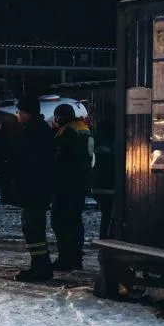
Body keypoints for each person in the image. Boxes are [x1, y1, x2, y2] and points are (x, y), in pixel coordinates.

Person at [9, 95, 54, 281]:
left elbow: (27, 161)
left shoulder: (33, 132)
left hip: (33, 190)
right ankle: (40, 264)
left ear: (26, 113)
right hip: (36, 189)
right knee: (33, 228)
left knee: (33, 229)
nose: (17, 115)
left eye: (19, 111)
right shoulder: (39, 130)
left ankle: (40, 267)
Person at [50, 103, 93, 271]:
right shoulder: (84, 129)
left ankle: (65, 258)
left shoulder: (67, 132)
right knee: (75, 220)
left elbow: (60, 159)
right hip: (81, 183)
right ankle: (76, 257)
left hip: (66, 184)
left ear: (60, 117)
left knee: (61, 221)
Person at [91, 115, 116, 240]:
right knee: (110, 213)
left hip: (98, 183)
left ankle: (104, 236)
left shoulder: (95, 142)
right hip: (110, 183)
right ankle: (108, 237)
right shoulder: (113, 144)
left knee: (105, 213)